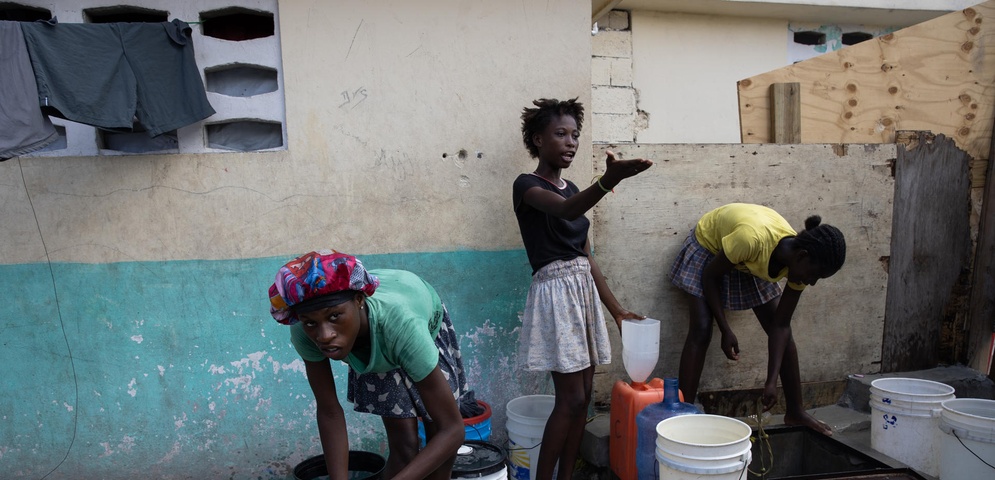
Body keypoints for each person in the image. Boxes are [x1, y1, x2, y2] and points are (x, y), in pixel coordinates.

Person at [513, 97, 653, 480]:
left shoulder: (572, 186)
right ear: (538, 139)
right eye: (560, 134)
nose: (571, 142)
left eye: (575, 134)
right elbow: (566, 210)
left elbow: (587, 256)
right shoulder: (527, 186)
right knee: (570, 398)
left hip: (582, 292)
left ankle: (566, 476)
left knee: (583, 399)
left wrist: (617, 310)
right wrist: (609, 180)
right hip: (556, 293)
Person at [268, 251, 467, 480]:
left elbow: (452, 429)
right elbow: (329, 411)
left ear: (359, 300)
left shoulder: (402, 327)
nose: (324, 335)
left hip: (413, 314)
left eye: (334, 316)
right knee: (404, 446)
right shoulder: (305, 331)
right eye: (312, 323)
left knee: (437, 439)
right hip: (374, 340)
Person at [668, 203, 846, 435]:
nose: (811, 282)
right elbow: (710, 277)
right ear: (802, 256)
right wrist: (725, 329)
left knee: (784, 334)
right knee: (701, 329)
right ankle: (683, 413)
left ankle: (795, 411)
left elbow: (780, 326)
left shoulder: (797, 264)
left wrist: (771, 381)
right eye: (814, 275)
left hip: (745, 260)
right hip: (710, 249)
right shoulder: (751, 240)